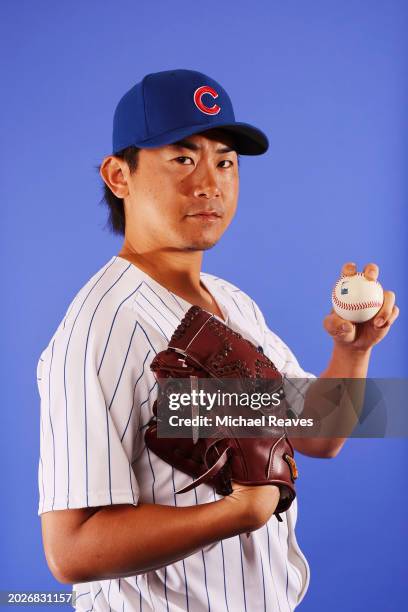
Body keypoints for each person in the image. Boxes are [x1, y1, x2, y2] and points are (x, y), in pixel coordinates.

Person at [37, 69, 398, 612]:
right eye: (183, 158)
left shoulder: (233, 302)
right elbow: (69, 551)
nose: (210, 182)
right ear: (119, 175)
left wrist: (354, 350)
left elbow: (318, 434)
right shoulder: (99, 327)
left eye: (225, 161)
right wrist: (234, 512)